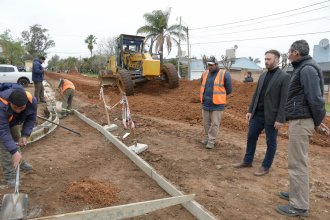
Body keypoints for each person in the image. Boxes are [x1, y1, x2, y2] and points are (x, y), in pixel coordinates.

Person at [276, 40, 328, 217]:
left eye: (289, 51)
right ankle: (295, 194)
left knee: (297, 163)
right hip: (300, 120)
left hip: (301, 121)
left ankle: (299, 206)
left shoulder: (306, 69)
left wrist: (317, 121)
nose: (288, 54)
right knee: (295, 161)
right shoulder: (303, 67)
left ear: (296, 52)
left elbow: (316, 100)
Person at [233, 50, 290, 176]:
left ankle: (265, 166)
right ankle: (247, 161)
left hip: (272, 116)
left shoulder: (284, 77)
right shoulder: (263, 75)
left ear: (276, 60)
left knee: (271, 142)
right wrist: (250, 110)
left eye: (269, 59)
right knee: (251, 137)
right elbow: (256, 94)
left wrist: (280, 119)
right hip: (257, 114)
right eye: (265, 59)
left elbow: (284, 100)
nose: (266, 61)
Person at [0, 84, 37, 187]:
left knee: (17, 139)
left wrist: (25, 135)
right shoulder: (1, 105)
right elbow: (3, 131)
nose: (18, 110)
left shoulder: (32, 101)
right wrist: (13, 151)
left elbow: (31, 118)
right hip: (2, 121)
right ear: (10, 103)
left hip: (12, 120)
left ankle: (19, 162)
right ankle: (10, 176)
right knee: (6, 148)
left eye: (21, 108)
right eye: (15, 107)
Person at [200, 56, 232, 149]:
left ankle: (211, 140)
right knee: (206, 122)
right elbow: (202, 85)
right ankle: (207, 137)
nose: (210, 67)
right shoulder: (205, 73)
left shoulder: (224, 74)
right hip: (206, 103)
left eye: (211, 65)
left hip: (217, 104)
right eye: (208, 65)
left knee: (215, 123)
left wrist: (219, 96)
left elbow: (229, 89)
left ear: (217, 65)